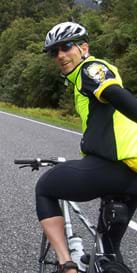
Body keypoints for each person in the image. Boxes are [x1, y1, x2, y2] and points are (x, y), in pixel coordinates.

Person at [36, 22, 137, 273]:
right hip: (133, 173)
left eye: (66, 46)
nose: (60, 55)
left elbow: (116, 94)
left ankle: (66, 264)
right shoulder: (85, 77)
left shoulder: (89, 69)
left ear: (83, 47)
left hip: (113, 165)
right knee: (109, 249)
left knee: (45, 187)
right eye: (54, 51)